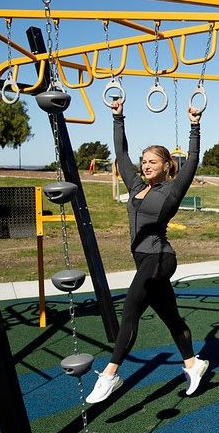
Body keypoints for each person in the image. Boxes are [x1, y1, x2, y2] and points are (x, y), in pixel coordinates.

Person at [86, 99, 209, 404]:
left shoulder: (173, 189)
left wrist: (195, 125)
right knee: (171, 317)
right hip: (144, 260)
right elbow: (121, 153)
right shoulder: (134, 186)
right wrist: (118, 117)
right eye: (144, 161)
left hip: (159, 258)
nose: (146, 165)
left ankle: (110, 375)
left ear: (167, 165)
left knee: (129, 311)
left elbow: (192, 160)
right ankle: (194, 364)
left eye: (153, 161)